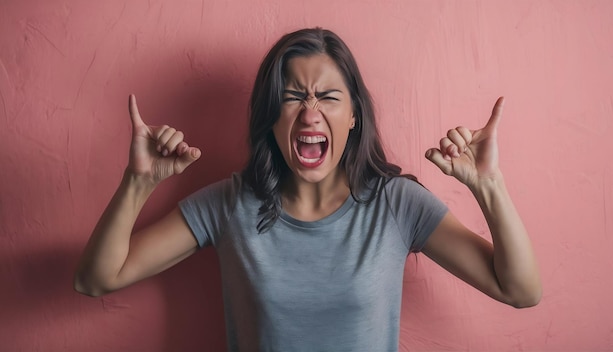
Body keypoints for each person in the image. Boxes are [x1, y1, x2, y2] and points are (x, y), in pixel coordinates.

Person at [74, 28, 541, 351]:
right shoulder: (228, 204)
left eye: (329, 96)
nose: (310, 112)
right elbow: (96, 279)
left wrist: (489, 186)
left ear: (354, 117)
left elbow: (520, 290)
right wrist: (138, 184)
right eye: (293, 96)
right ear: (272, 116)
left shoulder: (397, 204)